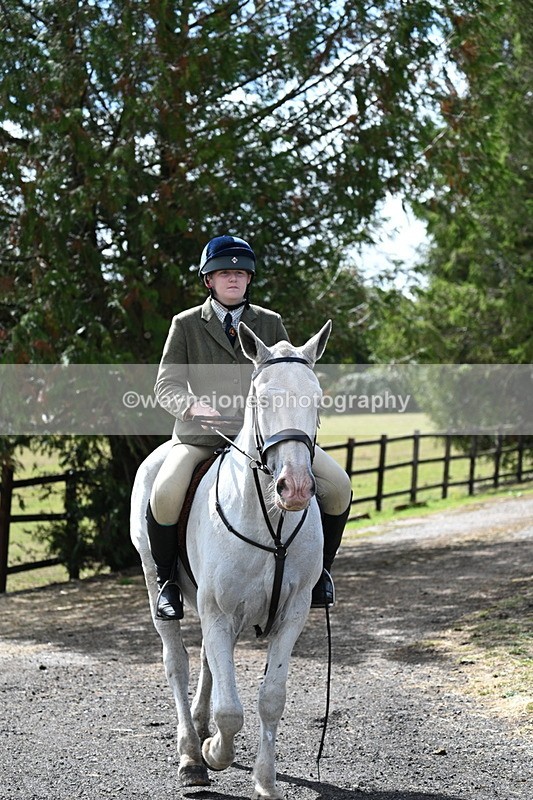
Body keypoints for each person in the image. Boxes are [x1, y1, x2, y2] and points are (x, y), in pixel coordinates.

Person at [147, 235, 352, 620]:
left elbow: (290, 375)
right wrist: (190, 405)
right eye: (225, 273)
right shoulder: (186, 324)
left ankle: (320, 573)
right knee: (165, 491)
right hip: (203, 436)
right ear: (209, 280)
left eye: (240, 273)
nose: (234, 280)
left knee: (339, 485)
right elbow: (165, 384)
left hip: (268, 440)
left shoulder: (270, 322)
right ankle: (168, 581)